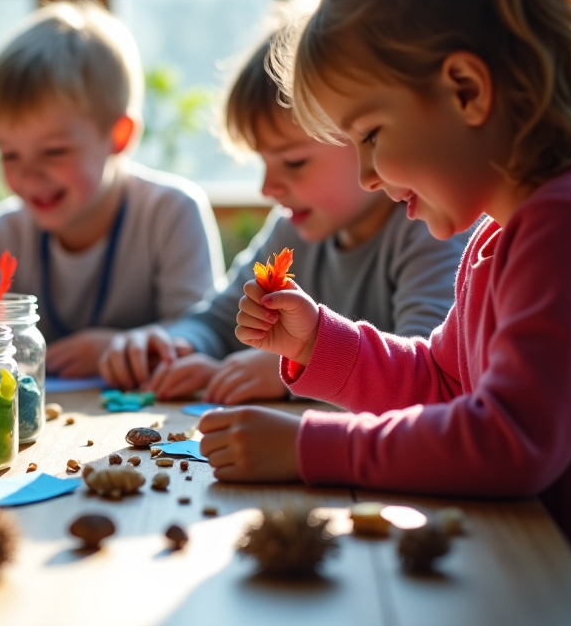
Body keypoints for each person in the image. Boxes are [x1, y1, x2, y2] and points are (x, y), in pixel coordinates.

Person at [199, 0, 571, 566]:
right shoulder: (500, 234)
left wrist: (306, 446)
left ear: (466, 90)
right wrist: (318, 341)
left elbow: (509, 438)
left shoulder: (567, 226)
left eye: (371, 136)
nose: (367, 176)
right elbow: (443, 384)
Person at [99, 35, 466, 400]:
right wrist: (176, 345)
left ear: (364, 138)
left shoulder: (430, 228)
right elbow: (219, 320)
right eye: (263, 162)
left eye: (294, 162)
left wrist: (295, 370)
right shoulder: (291, 228)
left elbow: (427, 378)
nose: (267, 187)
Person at [0, 0, 224, 378]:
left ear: (119, 136)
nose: (29, 175)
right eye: (9, 154)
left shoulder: (171, 212)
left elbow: (203, 333)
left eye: (53, 152)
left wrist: (121, 346)